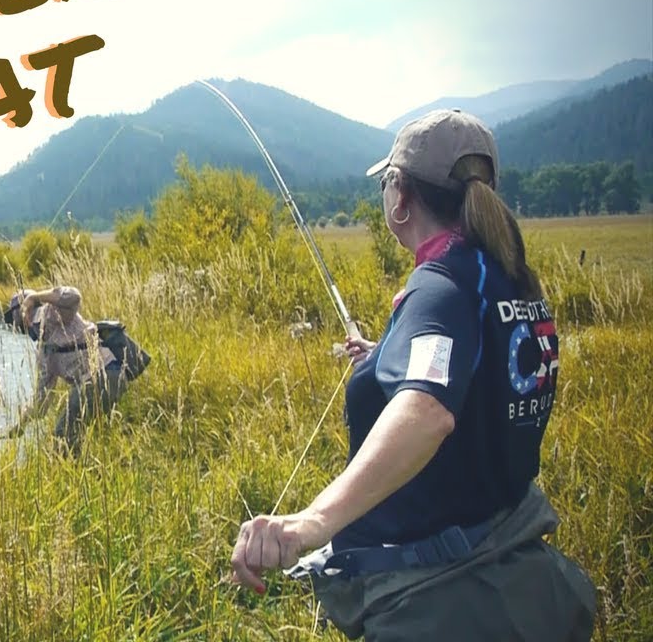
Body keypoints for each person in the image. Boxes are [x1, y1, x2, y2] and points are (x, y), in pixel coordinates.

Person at [229, 109, 596, 640]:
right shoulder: (506, 278)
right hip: (511, 569)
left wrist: (311, 523)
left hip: (440, 596)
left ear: (400, 196)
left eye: (386, 183)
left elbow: (427, 411)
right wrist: (385, 358)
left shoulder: (440, 287)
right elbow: (477, 374)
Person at [5, 285, 126, 456]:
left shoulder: (50, 312)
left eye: (16, 318)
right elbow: (41, 402)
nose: (17, 324)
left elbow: (73, 296)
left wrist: (34, 298)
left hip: (104, 374)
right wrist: (21, 425)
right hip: (101, 382)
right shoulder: (44, 352)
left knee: (62, 435)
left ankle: (69, 465)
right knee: (77, 435)